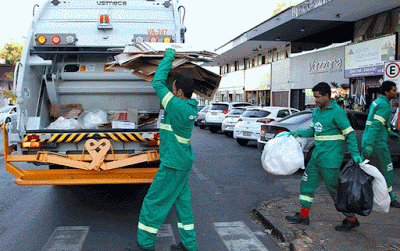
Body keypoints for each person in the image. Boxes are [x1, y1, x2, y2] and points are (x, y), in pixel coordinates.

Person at [127, 48, 199, 251]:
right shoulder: (189, 107)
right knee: (183, 205)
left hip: (173, 164)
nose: (172, 90)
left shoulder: (176, 107)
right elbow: (167, 88)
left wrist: (167, 59)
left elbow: (158, 83)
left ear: (179, 93)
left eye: (174, 88)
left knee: (153, 202)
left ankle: (145, 245)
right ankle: (189, 245)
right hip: (181, 163)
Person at [285, 82, 363, 232]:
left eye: (318, 97)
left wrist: (355, 154)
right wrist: (299, 133)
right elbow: (314, 131)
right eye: (314, 97)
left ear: (327, 95)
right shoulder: (316, 113)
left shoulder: (337, 112)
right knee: (306, 185)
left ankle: (351, 219)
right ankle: (303, 215)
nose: (315, 100)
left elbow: (350, 134)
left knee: (335, 191)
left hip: (330, 159)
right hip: (316, 158)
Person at [361, 80, 400, 208]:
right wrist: (371, 144)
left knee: (370, 172)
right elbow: (376, 125)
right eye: (394, 90)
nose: (396, 92)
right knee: (387, 169)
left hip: (369, 141)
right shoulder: (384, 105)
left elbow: (380, 122)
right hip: (377, 144)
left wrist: (389, 132)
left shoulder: (377, 102)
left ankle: (366, 196)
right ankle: (390, 198)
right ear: (387, 92)